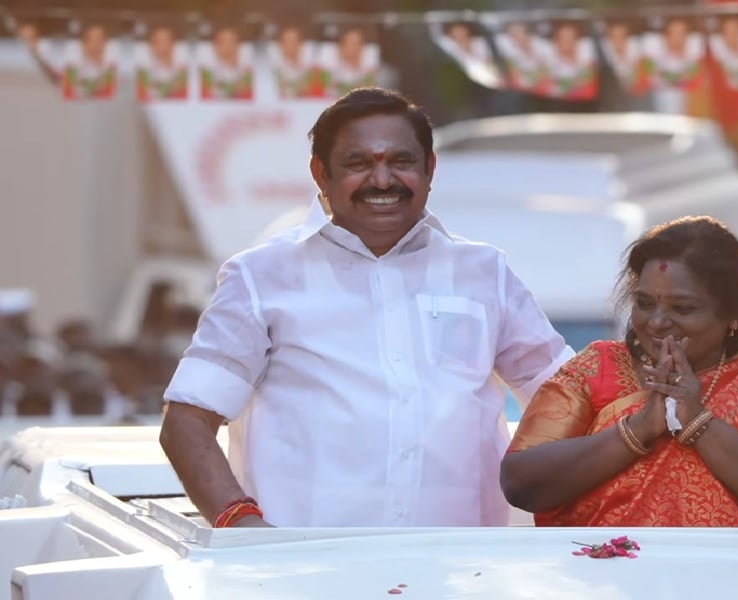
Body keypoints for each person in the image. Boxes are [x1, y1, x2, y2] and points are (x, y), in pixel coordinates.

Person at [159, 88, 576, 529]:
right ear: (321, 174)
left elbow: (573, 396)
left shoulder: (483, 272)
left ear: (430, 169)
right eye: (358, 164)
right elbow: (187, 420)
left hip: (462, 560)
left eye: (401, 161)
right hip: (304, 562)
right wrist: (243, 528)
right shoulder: (262, 277)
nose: (381, 180)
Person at [500, 216, 738, 527]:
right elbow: (521, 483)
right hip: (600, 571)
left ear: (732, 316)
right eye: (645, 303)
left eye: (683, 309)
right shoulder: (597, 368)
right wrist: (639, 429)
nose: (657, 322)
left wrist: (698, 423)